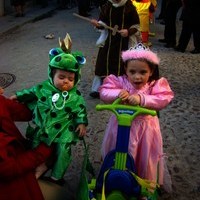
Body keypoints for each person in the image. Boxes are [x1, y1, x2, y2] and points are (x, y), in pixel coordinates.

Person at [10, 35, 88, 185]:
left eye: (70, 79)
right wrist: (18, 96)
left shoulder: (75, 96)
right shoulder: (44, 87)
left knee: (63, 152)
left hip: (64, 130)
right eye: (61, 77)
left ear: (76, 79)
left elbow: (80, 110)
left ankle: (57, 177)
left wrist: (81, 123)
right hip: (44, 127)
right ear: (52, 74)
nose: (66, 81)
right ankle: (34, 168)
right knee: (35, 146)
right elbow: (31, 92)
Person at [99, 43, 174, 198]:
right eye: (132, 71)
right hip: (120, 126)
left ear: (151, 71)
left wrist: (142, 98)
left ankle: (142, 186)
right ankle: (115, 178)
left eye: (143, 72)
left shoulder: (154, 85)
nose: (137, 76)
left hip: (145, 129)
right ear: (125, 69)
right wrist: (118, 93)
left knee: (144, 157)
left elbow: (164, 97)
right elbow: (104, 91)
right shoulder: (119, 82)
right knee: (118, 152)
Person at [0, 92, 53, 200]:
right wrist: (43, 150)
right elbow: (9, 169)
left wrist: (45, 94)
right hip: (13, 188)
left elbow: (26, 112)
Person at [89, 0, 140, 98]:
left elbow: (136, 26)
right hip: (109, 41)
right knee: (102, 63)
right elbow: (102, 24)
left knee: (123, 64)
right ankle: (98, 89)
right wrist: (98, 24)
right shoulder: (107, 6)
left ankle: (122, 89)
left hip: (124, 42)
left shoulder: (129, 7)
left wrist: (128, 31)